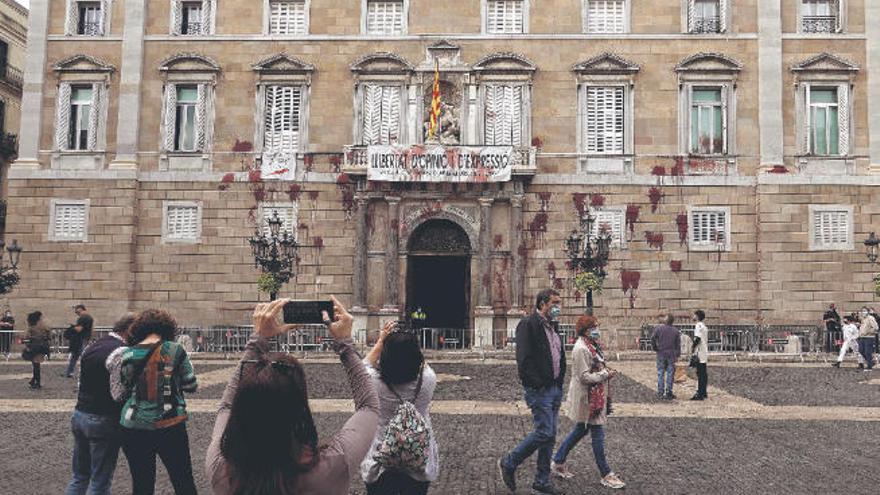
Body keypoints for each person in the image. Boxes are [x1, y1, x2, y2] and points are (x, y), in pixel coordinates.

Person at [206, 296, 379, 495]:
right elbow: (369, 406)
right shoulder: (329, 469)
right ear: (300, 404)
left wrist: (258, 341)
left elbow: (227, 406)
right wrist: (344, 344)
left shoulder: (220, 468)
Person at [113, 309, 198, 495]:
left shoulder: (127, 354)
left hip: (133, 425)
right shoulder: (175, 350)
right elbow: (191, 384)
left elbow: (126, 386)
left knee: (142, 484)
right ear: (167, 327)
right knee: (183, 481)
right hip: (170, 423)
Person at [499, 289, 566, 495]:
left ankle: (542, 481)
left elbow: (558, 354)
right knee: (544, 432)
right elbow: (524, 359)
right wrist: (537, 384)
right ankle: (509, 462)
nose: (558, 307)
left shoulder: (552, 326)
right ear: (542, 303)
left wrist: (559, 381)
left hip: (554, 388)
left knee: (550, 436)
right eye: (555, 303)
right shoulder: (528, 324)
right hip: (540, 389)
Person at [361, 320, 439, 495]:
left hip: (380, 460)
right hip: (419, 460)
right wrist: (411, 346)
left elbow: (363, 365)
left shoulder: (372, 382)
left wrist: (381, 340)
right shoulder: (428, 379)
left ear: (385, 355)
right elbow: (421, 364)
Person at [551, 316, 625, 490]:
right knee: (597, 433)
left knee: (579, 430)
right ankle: (606, 473)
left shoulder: (591, 345)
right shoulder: (581, 349)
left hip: (594, 396)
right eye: (595, 327)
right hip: (589, 399)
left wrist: (603, 371)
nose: (597, 330)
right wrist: (605, 375)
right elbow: (584, 377)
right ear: (586, 330)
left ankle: (558, 461)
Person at [65, 313, 136, 495]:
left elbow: (80, 382)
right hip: (103, 418)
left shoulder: (92, 346)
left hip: (80, 414)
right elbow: (118, 393)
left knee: (79, 477)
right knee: (100, 482)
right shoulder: (121, 351)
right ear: (130, 330)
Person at [651, 313, 681, 400]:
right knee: (670, 373)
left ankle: (660, 392)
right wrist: (678, 354)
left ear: (666, 320)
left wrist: (655, 348)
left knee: (660, 372)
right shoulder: (676, 331)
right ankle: (669, 392)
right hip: (671, 355)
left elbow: (652, 338)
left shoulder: (659, 329)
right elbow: (678, 345)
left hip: (661, 353)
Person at [23, 311, 51, 390]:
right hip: (42, 348)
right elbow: (49, 336)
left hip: (34, 348)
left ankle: (37, 383)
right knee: (36, 365)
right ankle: (34, 381)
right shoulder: (44, 327)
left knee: (36, 366)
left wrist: (28, 345)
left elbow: (26, 337)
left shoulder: (31, 327)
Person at [65, 304, 95, 378]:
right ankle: (69, 372)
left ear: (81, 309)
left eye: (76, 309)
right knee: (75, 356)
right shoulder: (90, 317)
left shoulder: (82, 318)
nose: (75, 311)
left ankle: (87, 372)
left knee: (82, 356)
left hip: (80, 339)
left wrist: (71, 328)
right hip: (85, 338)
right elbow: (91, 329)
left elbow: (79, 329)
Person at [690, 310, 709, 401]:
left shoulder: (698, 326)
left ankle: (700, 393)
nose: (693, 316)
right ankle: (704, 391)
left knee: (700, 373)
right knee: (703, 373)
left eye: (694, 315)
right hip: (704, 352)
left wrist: (692, 347)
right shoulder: (704, 326)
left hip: (699, 352)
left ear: (697, 316)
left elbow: (697, 338)